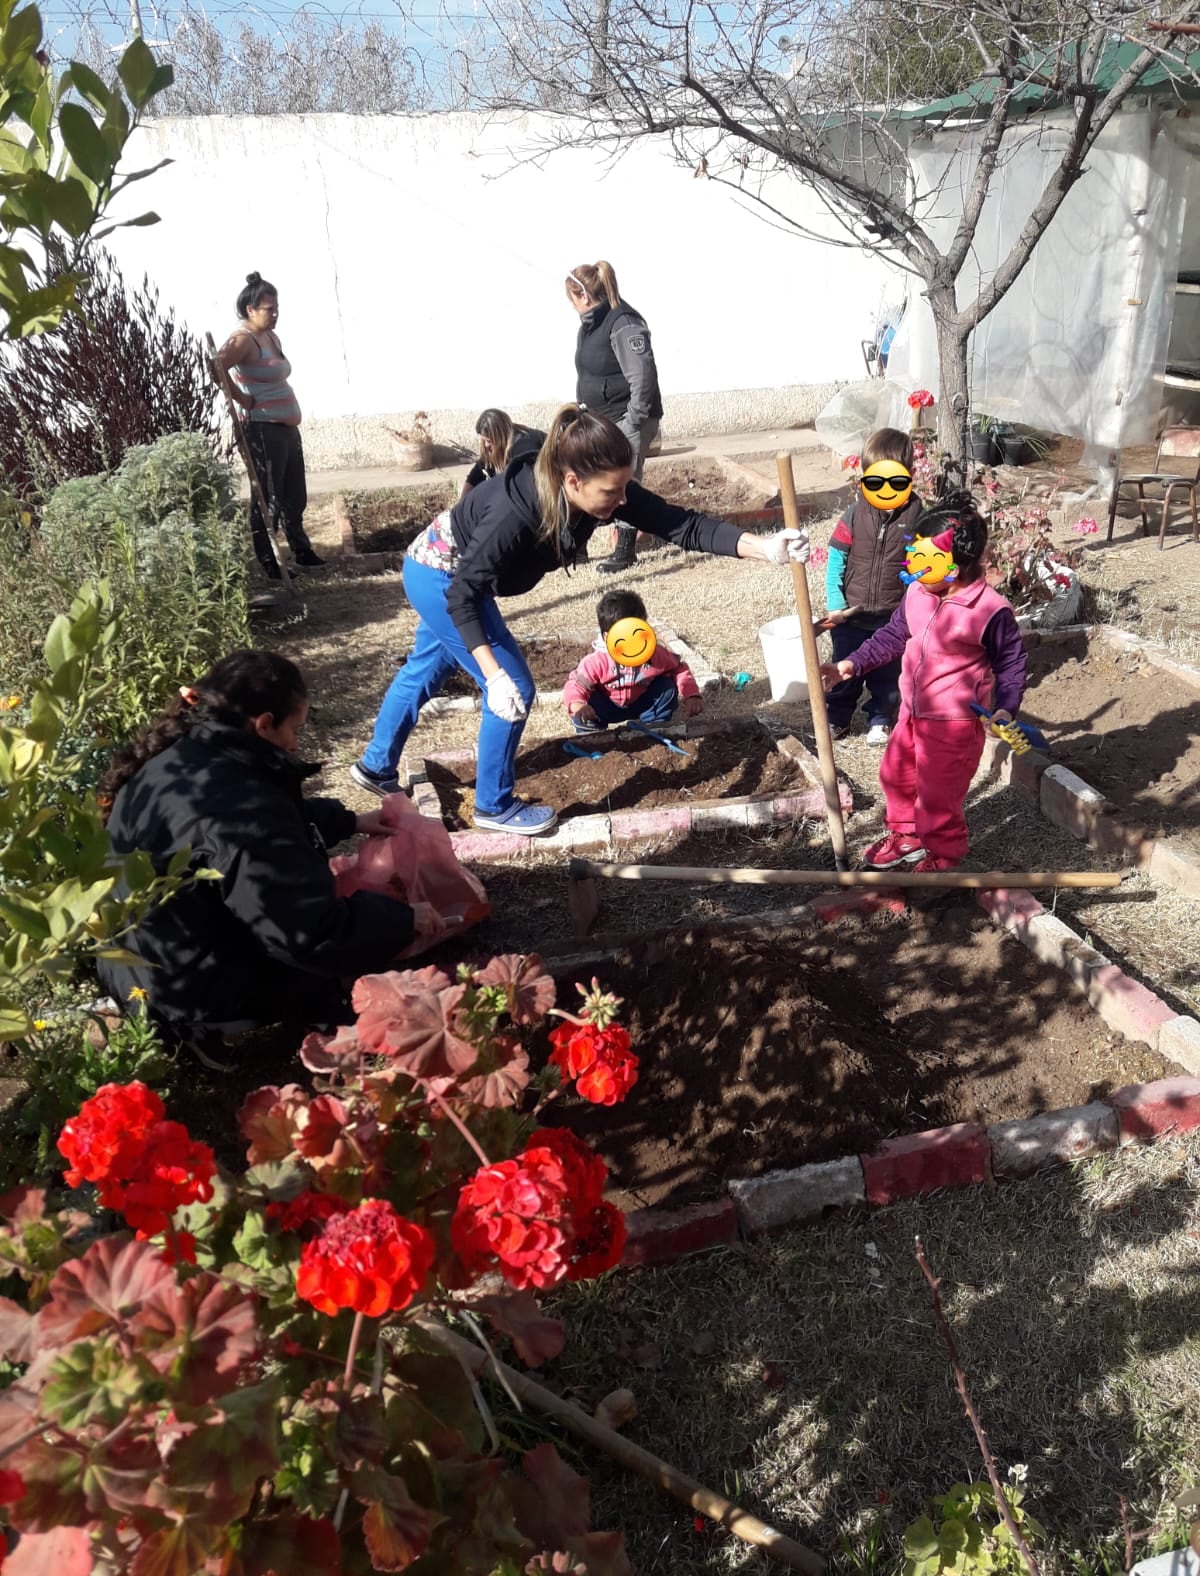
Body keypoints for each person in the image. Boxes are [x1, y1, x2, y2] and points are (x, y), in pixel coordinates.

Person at [350, 405, 808, 835]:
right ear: (571, 480)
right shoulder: (516, 512)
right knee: (514, 686)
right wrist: (494, 677)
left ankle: (375, 766)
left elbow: (680, 523)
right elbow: (463, 595)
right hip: (441, 576)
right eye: (612, 491)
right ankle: (493, 805)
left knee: (425, 670)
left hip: (447, 575)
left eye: (624, 487)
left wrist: (763, 548)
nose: (622, 499)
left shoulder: (601, 486)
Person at [98, 649, 438, 1067]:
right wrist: (404, 920)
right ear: (263, 724)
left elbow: (265, 832)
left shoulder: (189, 754)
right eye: (295, 728)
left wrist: (348, 820)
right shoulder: (240, 805)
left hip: (133, 964)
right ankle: (202, 1031)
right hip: (182, 987)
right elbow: (306, 934)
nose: (296, 742)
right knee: (323, 973)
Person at [819, 491, 1027, 873]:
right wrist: (849, 664)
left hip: (954, 726)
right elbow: (893, 636)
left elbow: (1011, 662)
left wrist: (1006, 707)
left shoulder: (989, 611)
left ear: (957, 564)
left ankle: (944, 855)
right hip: (913, 713)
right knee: (895, 775)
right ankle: (908, 837)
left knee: (937, 795)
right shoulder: (917, 592)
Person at [214, 273, 324, 581]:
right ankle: (270, 563)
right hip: (263, 429)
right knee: (269, 497)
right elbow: (216, 366)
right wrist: (242, 399)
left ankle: (302, 551)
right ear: (250, 310)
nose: (274, 314)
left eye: (276, 308)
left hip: (286, 426)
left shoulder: (270, 337)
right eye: (268, 309)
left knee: (294, 494)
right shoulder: (242, 339)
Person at [824, 428, 924, 746]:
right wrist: (835, 601)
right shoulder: (854, 516)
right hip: (852, 613)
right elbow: (836, 560)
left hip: (892, 617)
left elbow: (920, 568)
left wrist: (912, 608)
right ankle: (837, 718)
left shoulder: (918, 518)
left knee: (887, 674)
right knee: (845, 666)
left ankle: (879, 718)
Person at [567, 261, 663, 575]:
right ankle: (578, 546)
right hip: (602, 419)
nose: (572, 306)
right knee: (593, 478)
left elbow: (642, 375)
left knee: (624, 483)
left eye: (572, 299)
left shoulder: (623, 322)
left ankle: (625, 549)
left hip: (626, 418)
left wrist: (633, 418)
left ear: (581, 295)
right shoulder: (591, 323)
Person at [564, 588, 702, 730]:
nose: (634, 642)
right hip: (606, 706)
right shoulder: (597, 661)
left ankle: (654, 725)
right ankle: (591, 732)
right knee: (586, 706)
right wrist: (579, 705)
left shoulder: (654, 654)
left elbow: (678, 668)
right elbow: (576, 685)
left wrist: (691, 695)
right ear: (607, 637)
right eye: (627, 636)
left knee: (666, 688)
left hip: (642, 702)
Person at [460, 410, 547, 498]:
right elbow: (474, 477)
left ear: (501, 437)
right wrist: (460, 507)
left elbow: (523, 491)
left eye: (489, 441)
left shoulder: (524, 451)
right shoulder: (492, 450)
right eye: (484, 440)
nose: (486, 445)